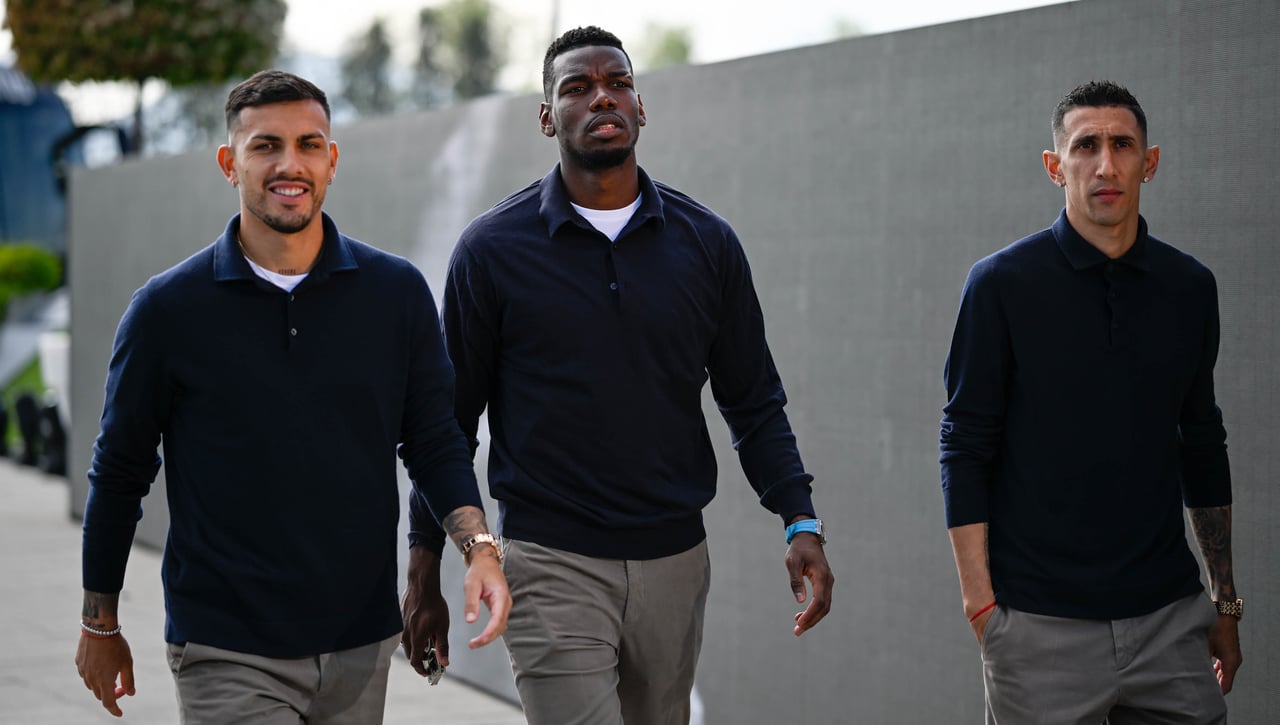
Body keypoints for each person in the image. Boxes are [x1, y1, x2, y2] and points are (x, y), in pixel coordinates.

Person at [404, 25, 834, 725]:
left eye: (619, 83)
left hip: (676, 559)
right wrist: (423, 566)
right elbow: (446, 424)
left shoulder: (708, 244)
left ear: (640, 107)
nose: (602, 97)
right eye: (577, 87)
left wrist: (799, 519)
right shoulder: (491, 250)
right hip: (548, 560)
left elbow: (753, 402)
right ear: (548, 117)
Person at [75, 70, 510, 723]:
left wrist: (479, 550)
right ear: (229, 163)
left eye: (308, 145)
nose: (290, 164)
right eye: (265, 146)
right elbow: (119, 472)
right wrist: (99, 622)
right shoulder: (166, 311)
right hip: (226, 646)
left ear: (331, 160)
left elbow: (434, 441)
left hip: (360, 644)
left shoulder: (395, 294)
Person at [940, 80, 1243, 723]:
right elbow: (964, 445)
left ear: (1149, 162)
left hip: (1170, 621)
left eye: (1122, 145)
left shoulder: (1190, 287)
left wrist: (1225, 603)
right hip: (1039, 629)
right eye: (1086, 146)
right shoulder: (1000, 285)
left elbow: (1202, 442)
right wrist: (981, 608)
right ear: (1056, 166)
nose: (1106, 164)